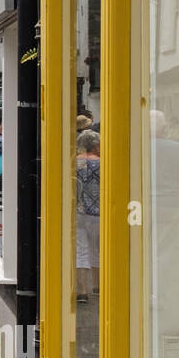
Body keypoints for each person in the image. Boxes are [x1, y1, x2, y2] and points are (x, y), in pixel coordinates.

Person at [75, 130, 101, 304]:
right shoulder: (104, 163)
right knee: (97, 249)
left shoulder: (75, 162)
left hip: (79, 211)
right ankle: (97, 286)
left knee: (81, 250)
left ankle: (82, 291)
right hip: (99, 212)